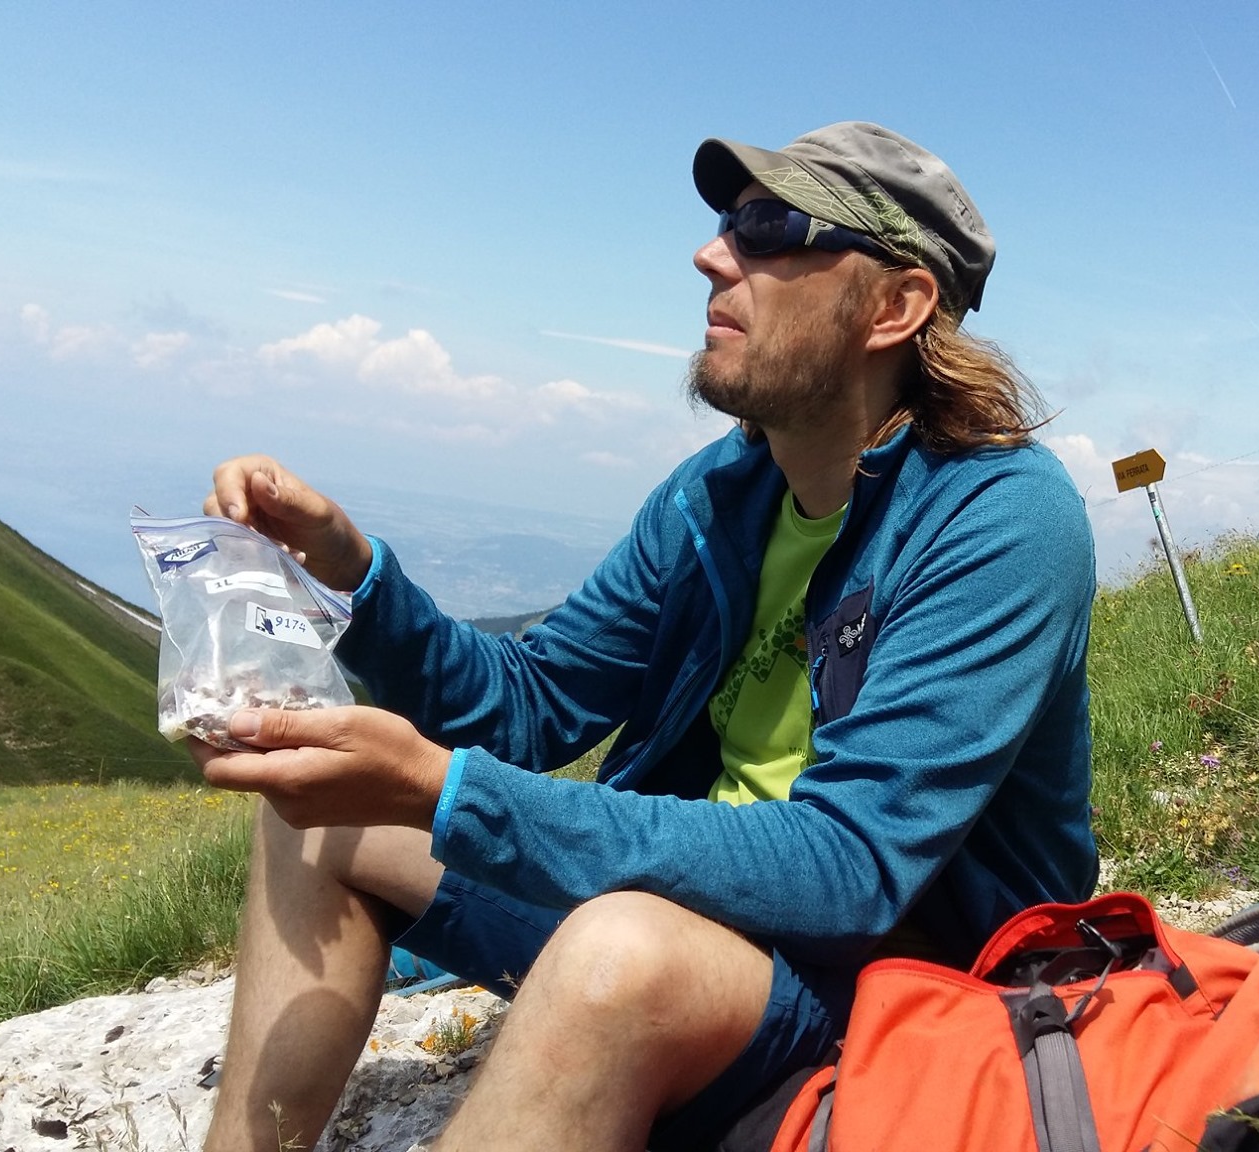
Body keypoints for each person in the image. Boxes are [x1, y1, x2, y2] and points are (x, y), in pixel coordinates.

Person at [192, 121, 1097, 1152]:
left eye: (769, 227)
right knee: (320, 819)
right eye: (726, 223)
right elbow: (530, 705)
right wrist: (354, 572)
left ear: (894, 307)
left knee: (616, 952)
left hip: (905, 986)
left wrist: (448, 793)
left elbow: (851, 868)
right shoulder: (720, 494)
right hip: (706, 934)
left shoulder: (999, 517)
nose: (713, 255)